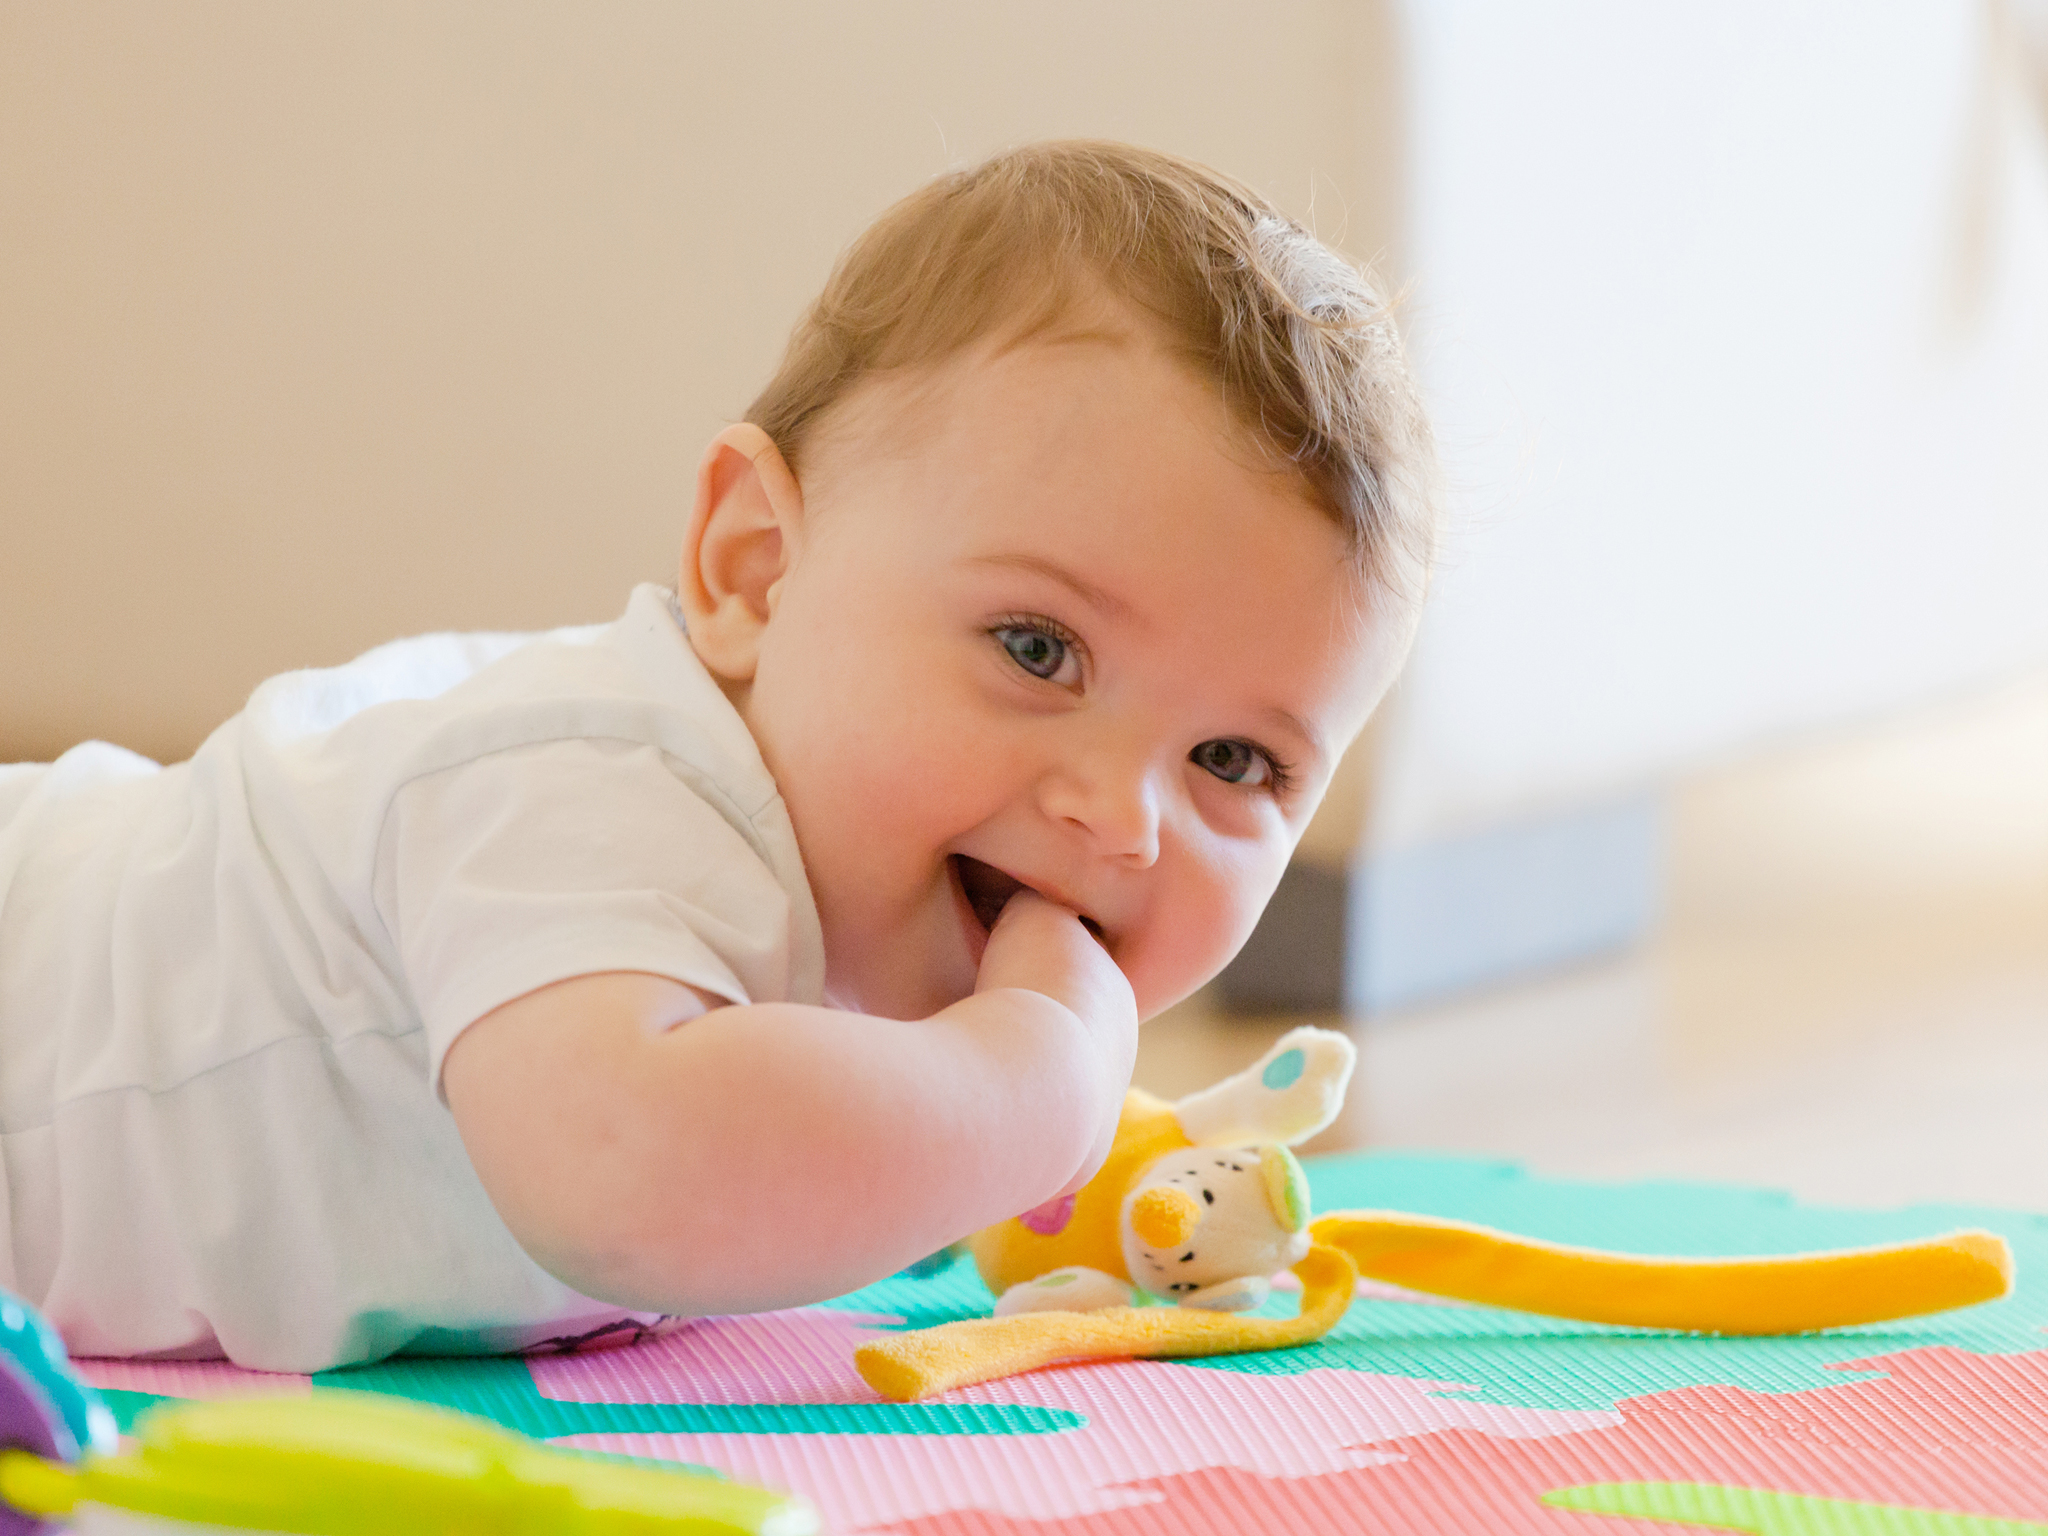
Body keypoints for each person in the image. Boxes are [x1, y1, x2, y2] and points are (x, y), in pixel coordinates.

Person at [0, 141, 1438, 1372]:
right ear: (755, 572)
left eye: (1236, 761)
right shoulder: (591, 785)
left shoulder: (859, 938)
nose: (1121, 822)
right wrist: (1028, 1092)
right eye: (1038, 650)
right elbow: (625, 1171)